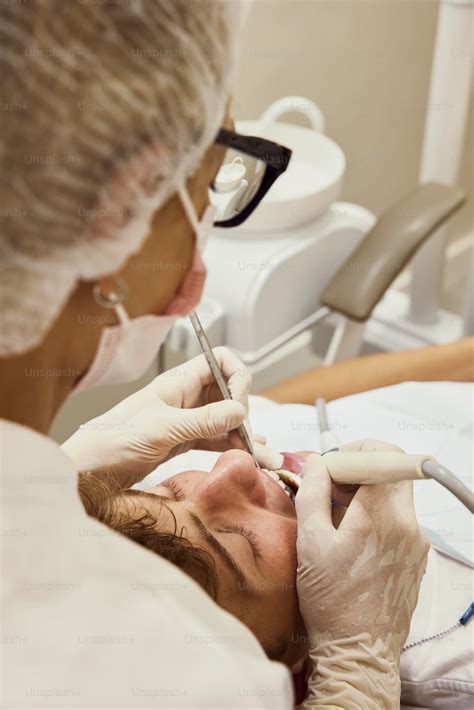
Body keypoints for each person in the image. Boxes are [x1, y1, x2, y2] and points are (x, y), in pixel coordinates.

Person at [1, 1, 428, 707]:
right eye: (214, 184)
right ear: (122, 208)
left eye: (158, 490)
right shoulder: (192, 677)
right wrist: (360, 671)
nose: (231, 462)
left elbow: (321, 388)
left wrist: (70, 473)